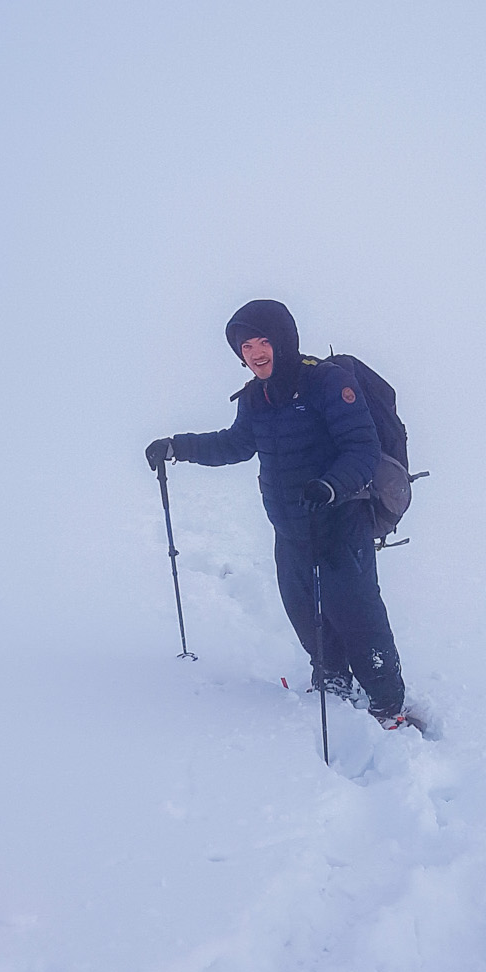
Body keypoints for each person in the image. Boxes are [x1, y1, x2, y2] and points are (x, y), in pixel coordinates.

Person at [145, 299, 412, 727]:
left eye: (262, 341)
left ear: (283, 340)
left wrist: (330, 485)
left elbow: (361, 448)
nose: (254, 352)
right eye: (245, 345)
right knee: (304, 608)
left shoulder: (328, 383)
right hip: (290, 524)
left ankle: (387, 701)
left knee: (356, 609)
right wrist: (179, 447)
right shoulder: (257, 398)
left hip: (341, 517)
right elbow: (234, 443)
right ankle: (332, 678)